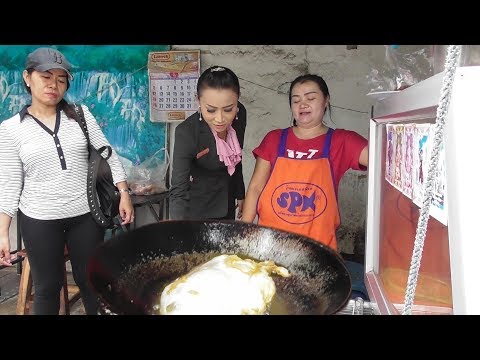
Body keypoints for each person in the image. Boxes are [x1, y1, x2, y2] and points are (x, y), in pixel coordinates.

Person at [0, 47, 134, 315]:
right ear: (28, 78)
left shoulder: (80, 115)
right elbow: (10, 183)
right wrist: (3, 232)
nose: (54, 85)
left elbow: (107, 152)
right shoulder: (11, 129)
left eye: (61, 80)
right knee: (47, 288)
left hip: (84, 216)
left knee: (92, 283)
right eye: (46, 77)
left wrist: (124, 191)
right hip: (39, 219)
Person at [241, 74, 368, 251]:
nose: (303, 104)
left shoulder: (342, 141)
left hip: (318, 247)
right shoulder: (275, 139)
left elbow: (384, 160)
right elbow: (256, 187)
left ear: (326, 101)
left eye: (311, 98)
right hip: (271, 243)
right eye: (296, 100)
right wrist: (243, 231)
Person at [169, 65, 246, 220]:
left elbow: (235, 158)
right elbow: (179, 189)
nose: (220, 119)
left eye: (228, 109)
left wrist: (240, 194)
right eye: (211, 110)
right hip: (197, 211)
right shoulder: (187, 132)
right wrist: (176, 230)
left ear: (237, 100)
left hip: (227, 204)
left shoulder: (240, 115)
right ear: (198, 100)